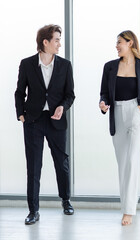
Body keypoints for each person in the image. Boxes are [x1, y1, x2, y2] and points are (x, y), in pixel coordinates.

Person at [14, 24, 75, 225]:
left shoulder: (65, 65)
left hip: (56, 121)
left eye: (59, 39)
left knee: (61, 162)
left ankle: (66, 200)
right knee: (33, 166)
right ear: (45, 42)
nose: (59, 43)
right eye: (56, 39)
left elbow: (70, 95)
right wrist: (21, 114)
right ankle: (33, 211)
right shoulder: (27, 64)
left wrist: (62, 108)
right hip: (33, 121)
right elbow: (19, 92)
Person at [99, 30, 140, 226]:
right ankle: (127, 204)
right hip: (117, 113)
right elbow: (104, 93)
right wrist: (103, 103)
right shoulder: (109, 67)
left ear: (130, 43)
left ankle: (128, 211)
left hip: (136, 113)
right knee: (122, 164)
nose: (116, 46)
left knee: (132, 161)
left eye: (119, 43)